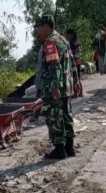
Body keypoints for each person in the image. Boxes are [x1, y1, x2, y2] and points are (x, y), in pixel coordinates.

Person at [35, 14, 75, 159]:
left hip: (55, 88)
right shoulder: (63, 40)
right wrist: (76, 81)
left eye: (40, 26)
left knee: (55, 116)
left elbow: (54, 65)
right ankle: (69, 147)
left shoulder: (50, 42)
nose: (38, 29)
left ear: (47, 26)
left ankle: (60, 149)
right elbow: (71, 63)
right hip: (67, 85)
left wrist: (55, 86)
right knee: (66, 115)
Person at [66, 29, 83, 97]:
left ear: (73, 34)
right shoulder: (68, 43)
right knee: (73, 78)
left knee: (77, 78)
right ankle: (76, 93)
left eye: (70, 34)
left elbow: (78, 53)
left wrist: (73, 55)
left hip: (76, 62)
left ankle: (79, 93)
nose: (69, 36)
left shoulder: (76, 43)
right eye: (68, 34)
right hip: (71, 63)